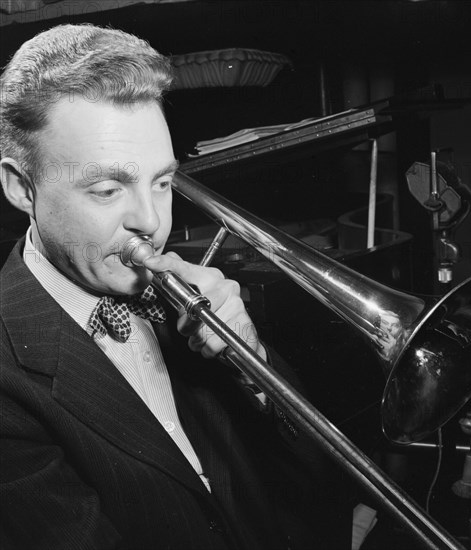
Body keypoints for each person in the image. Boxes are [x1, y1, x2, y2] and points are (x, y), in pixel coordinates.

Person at [0, 24, 349, 550]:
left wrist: (252, 365)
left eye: (162, 182)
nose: (151, 221)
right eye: (107, 188)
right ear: (22, 188)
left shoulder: (176, 290)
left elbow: (315, 482)